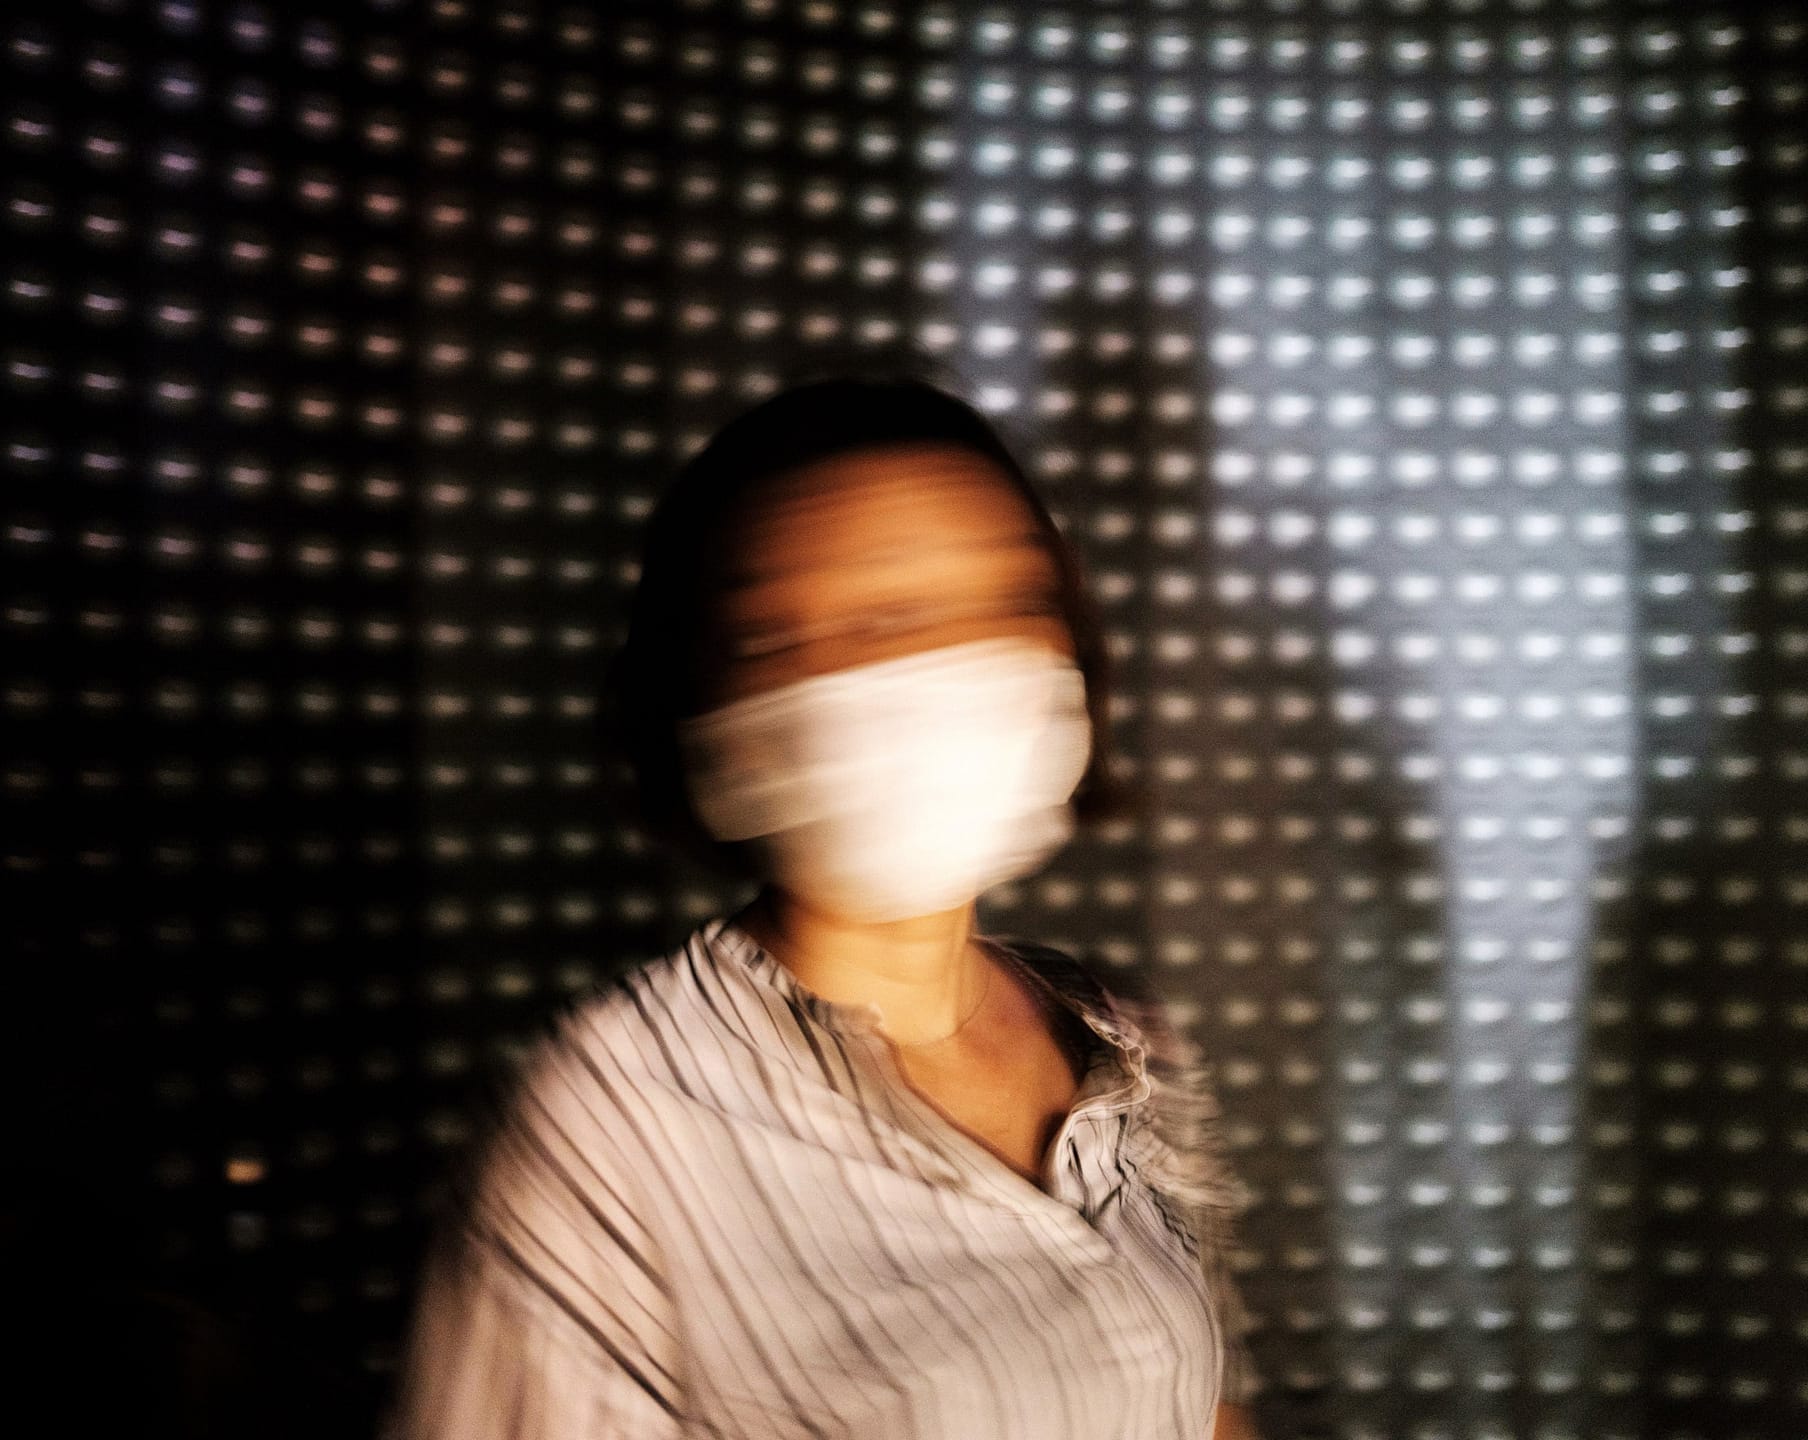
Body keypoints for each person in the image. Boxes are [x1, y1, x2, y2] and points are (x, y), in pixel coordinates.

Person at [388, 376, 1264, 1439]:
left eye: (1003, 603)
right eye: (865, 624)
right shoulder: (611, 1132)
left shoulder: (1121, 1040)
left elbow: (1204, 1410)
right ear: (721, 708)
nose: (942, 666)